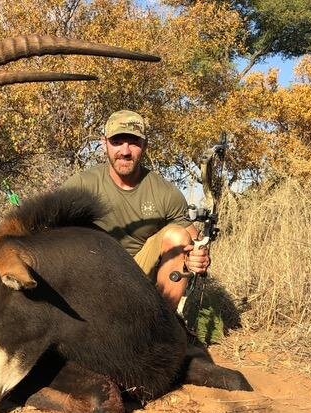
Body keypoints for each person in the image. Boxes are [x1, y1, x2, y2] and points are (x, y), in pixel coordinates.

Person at [63, 110, 210, 311]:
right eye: (117, 141)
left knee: (178, 236)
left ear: (145, 145)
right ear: (104, 143)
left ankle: (162, 326)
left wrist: (199, 257)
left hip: (139, 276)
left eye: (133, 142)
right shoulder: (81, 185)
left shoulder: (165, 192)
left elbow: (194, 242)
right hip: (93, 275)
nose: (125, 151)